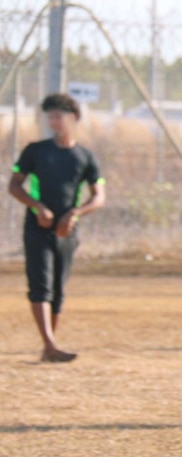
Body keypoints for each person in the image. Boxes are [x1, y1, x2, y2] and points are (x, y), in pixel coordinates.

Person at [7, 93, 106, 362]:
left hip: (67, 231)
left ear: (73, 118)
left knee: (59, 290)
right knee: (41, 286)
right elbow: (14, 185)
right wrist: (37, 206)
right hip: (37, 228)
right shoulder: (35, 151)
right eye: (50, 116)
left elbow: (98, 196)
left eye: (58, 116)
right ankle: (49, 344)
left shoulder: (85, 156)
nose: (54, 121)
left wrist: (75, 213)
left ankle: (50, 346)